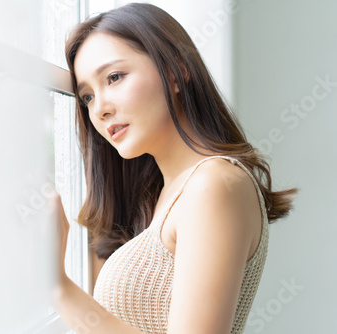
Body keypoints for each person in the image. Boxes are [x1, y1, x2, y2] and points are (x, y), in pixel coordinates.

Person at [47, 3, 298, 333]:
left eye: (114, 77)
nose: (100, 110)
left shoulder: (214, 184)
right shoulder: (169, 193)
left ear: (176, 72)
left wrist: (56, 286)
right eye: (87, 97)